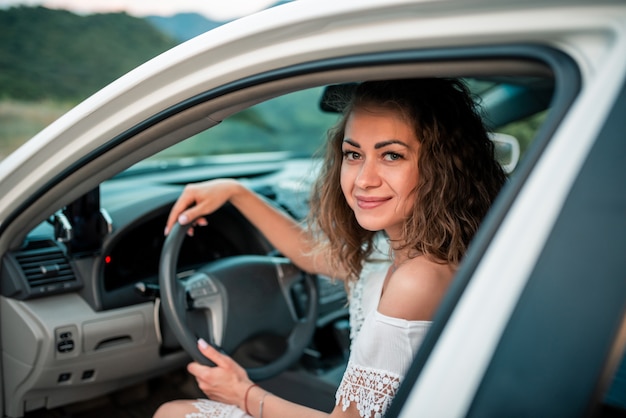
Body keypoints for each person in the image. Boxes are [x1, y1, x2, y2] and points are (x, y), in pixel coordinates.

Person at [154, 78, 506, 418]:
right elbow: (313, 253)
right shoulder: (406, 250)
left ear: (442, 167)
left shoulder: (418, 278)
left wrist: (242, 393)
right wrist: (236, 192)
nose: (363, 179)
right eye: (354, 154)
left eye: (392, 156)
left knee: (171, 412)